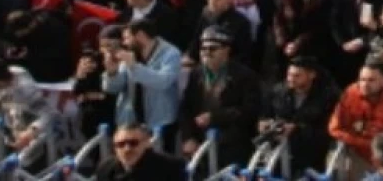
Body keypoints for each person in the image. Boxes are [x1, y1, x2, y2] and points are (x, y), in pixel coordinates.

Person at [177, 27, 261, 168]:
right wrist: (187, 137)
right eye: (203, 49)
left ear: (226, 50)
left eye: (212, 49)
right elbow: (186, 108)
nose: (206, 53)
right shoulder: (196, 74)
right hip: (200, 145)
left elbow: (250, 110)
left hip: (233, 146)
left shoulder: (245, 76)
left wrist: (215, 117)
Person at [101, 18, 182, 151]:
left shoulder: (171, 54)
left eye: (127, 38)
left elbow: (163, 81)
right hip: (130, 122)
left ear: (140, 36)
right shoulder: (130, 53)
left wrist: (134, 67)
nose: (124, 42)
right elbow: (113, 89)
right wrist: (112, 73)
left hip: (160, 122)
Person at [328, 60, 383, 178]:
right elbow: (335, 128)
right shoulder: (351, 93)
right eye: (362, 79)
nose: (365, 84)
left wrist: (374, 142)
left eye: (371, 80)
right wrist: (364, 142)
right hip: (359, 152)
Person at [260, 57, 341, 177]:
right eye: (289, 75)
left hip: (312, 152)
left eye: (297, 76)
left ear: (312, 75)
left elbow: (328, 129)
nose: (291, 79)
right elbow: (266, 113)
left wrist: (297, 129)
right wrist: (264, 123)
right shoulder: (279, 92)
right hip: (279, 151)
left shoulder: (328, 97)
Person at [95, 123, 186, 180]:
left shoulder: (171, 167)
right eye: (120, 144)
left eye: (133, 143)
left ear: (147, 144)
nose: (127, 149)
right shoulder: (106, 169)